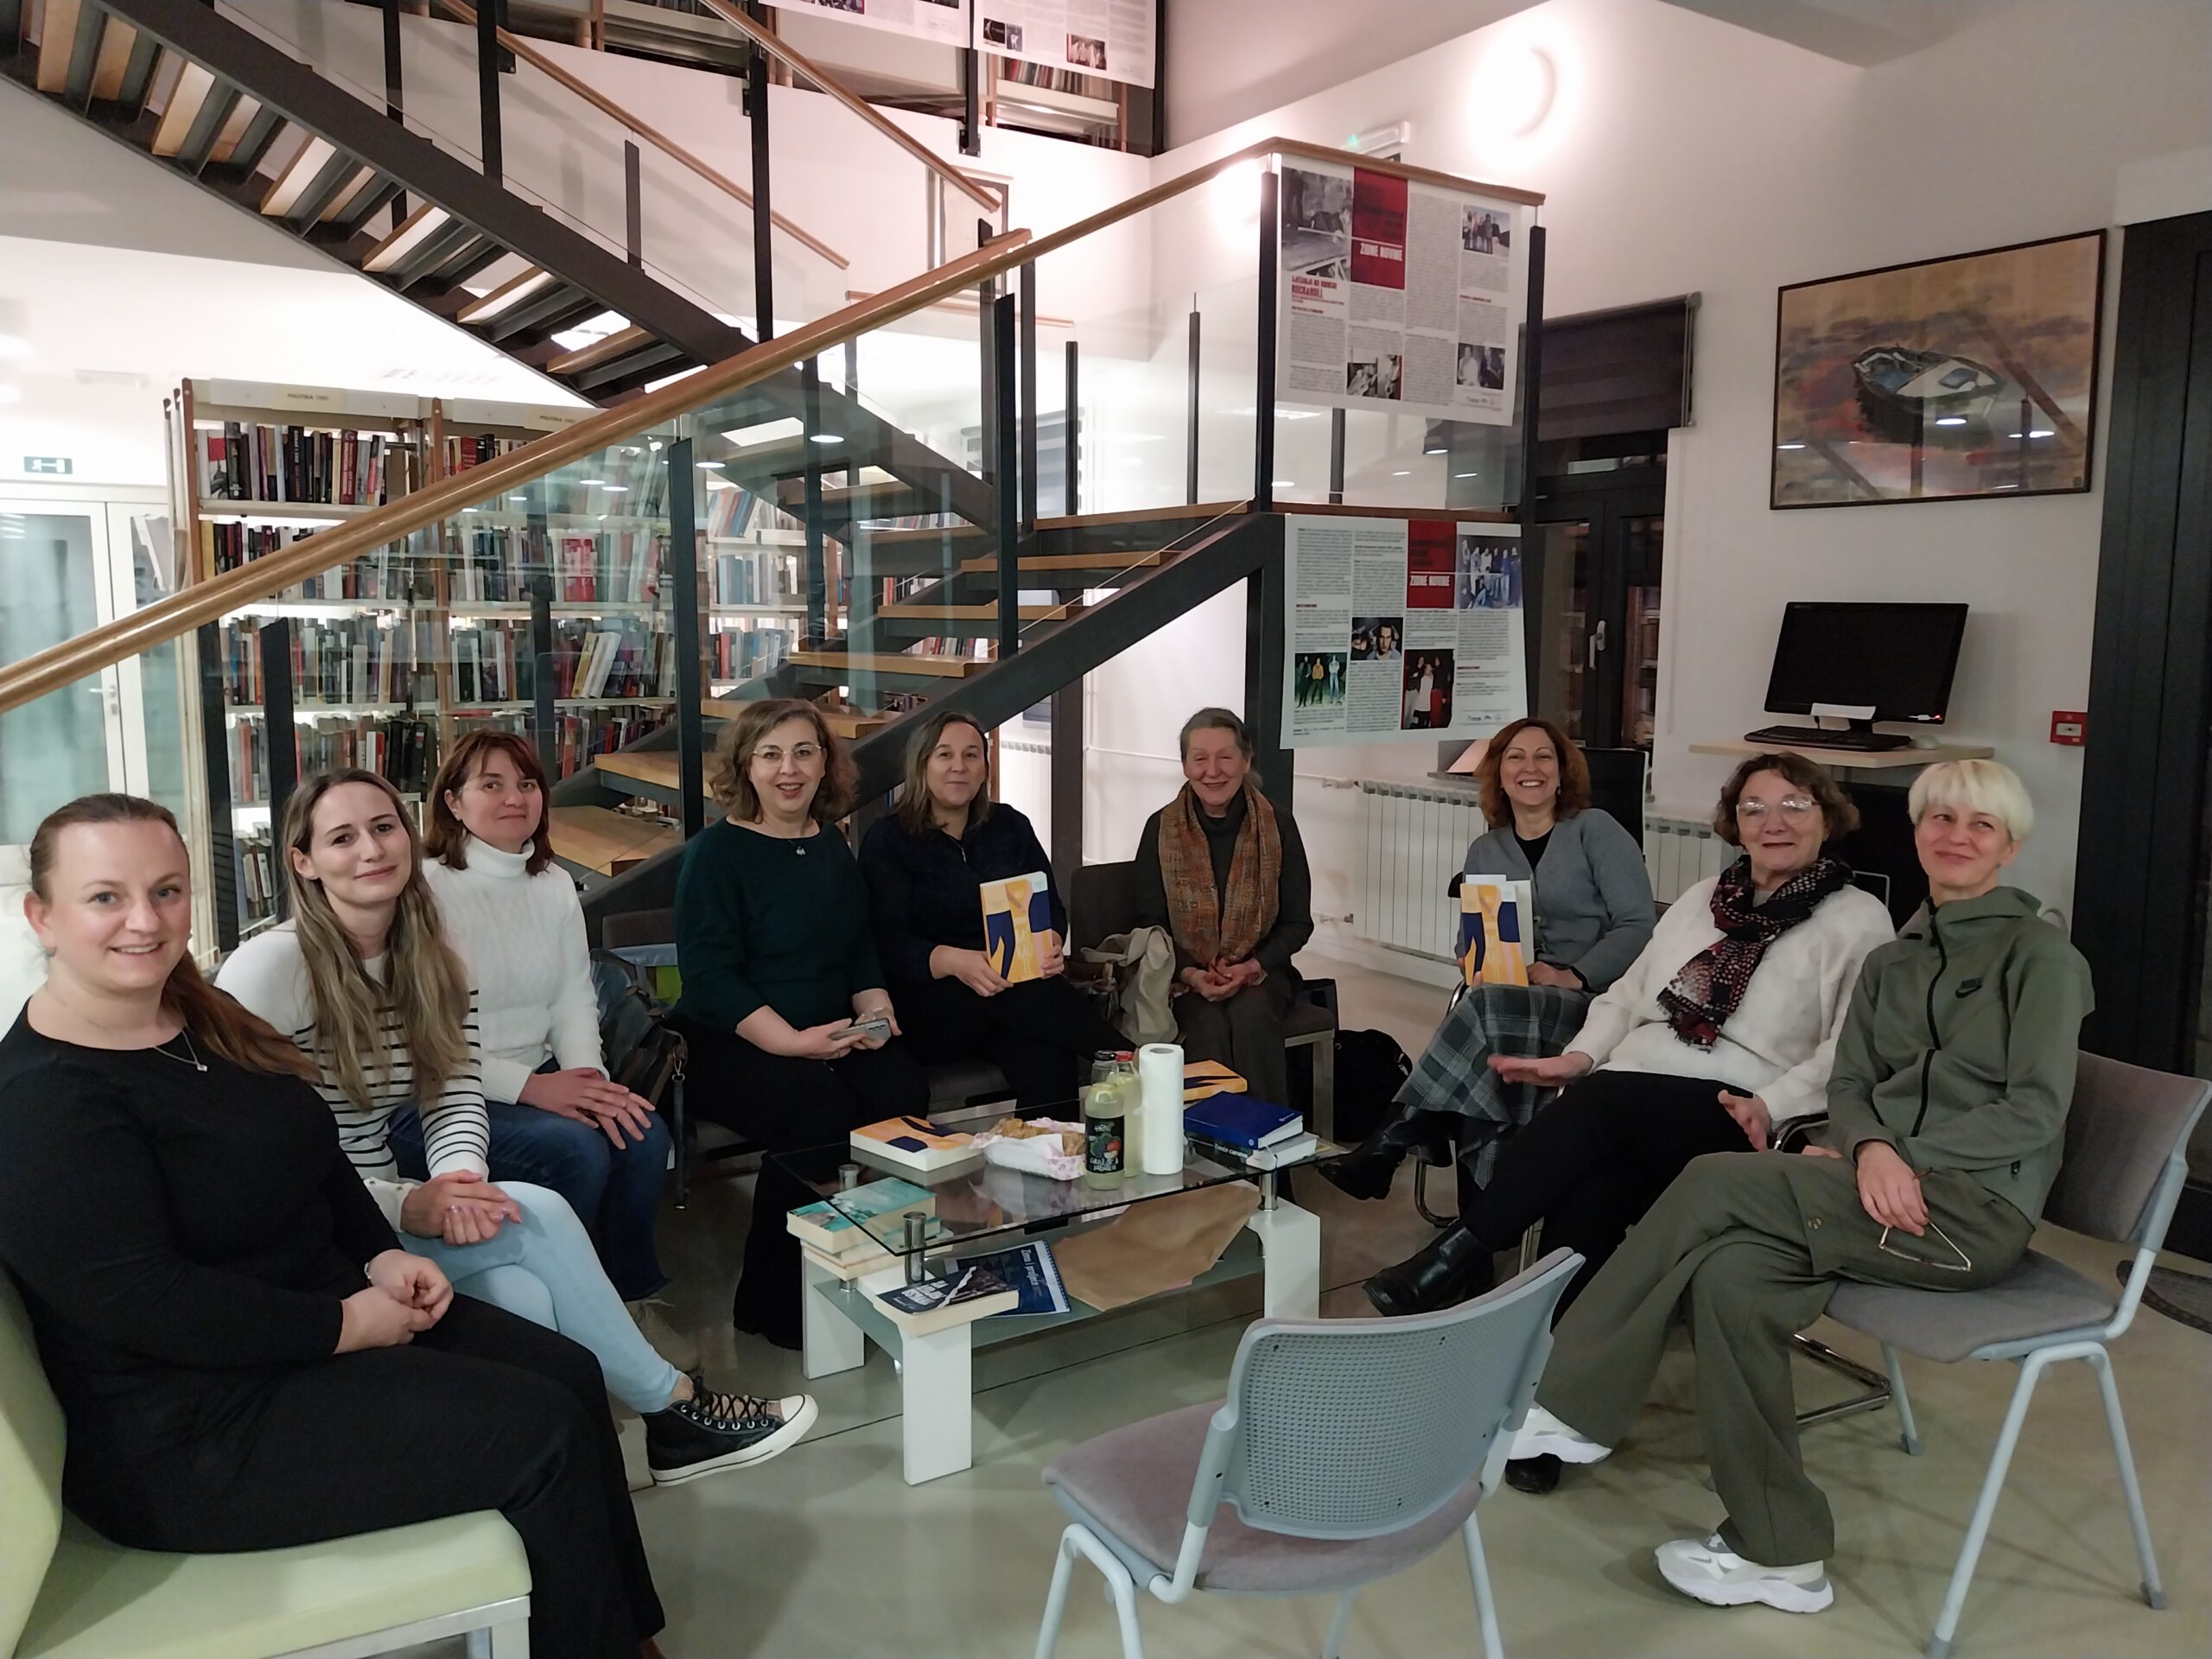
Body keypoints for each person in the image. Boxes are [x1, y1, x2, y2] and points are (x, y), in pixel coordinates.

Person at [0, 794, 662, 1659]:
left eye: (166, 891)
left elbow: (311, 1148)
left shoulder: (196, 1014)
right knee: (541, 1432)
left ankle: (620, 1636)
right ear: (42, 916)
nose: (145, 920)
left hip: (303, 1328)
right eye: (105, 898)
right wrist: (346, 1324)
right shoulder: (42, 1100)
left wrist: (379, 1254)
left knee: (570, 1373)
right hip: (191, 1430)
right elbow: (147, 1302)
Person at [1509, 760, 2089, 1615]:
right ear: (1917, 833)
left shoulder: (2040, 956)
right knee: (1729, 1279)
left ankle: (1568, 1402)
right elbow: (1850, 1083)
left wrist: (1895, 1157)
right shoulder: (1897, 960)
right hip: (1874, 1192)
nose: (1955, 837)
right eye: (1940, 819)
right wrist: (1865, 1146)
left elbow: (2034, 1112)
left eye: (1980, 825)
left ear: (2009, 845)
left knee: (1713, 1181)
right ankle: (1779, 1551)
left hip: (1969, 1216)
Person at [219, 770, 813, 1483]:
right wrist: (403, 1205)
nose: (371, 849)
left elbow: (453, 1093)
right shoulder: (270, 970)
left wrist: (460, 1180)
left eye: (383, 828)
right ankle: (673, 1412)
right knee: (542, 1208)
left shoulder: (434, 958)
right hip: (316, 1237)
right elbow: (260, 1163)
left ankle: (567, 1466)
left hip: (381, 1213)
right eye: (342, 838)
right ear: (303, 861)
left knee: (528, 1294)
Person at [1362, 753, 1892, 1378]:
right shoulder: (1703, 899)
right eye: (1754, 808)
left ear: (1826, 818)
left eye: (1794, 806)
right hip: (1636, 1093)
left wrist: (1771, 1106)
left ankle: (1454, 1258)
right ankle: (1549, 1373)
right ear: (1736, 823)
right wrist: (1580, 1057)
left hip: (1740, 1108)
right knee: (1596, 1187)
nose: (1772, 822)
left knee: (1603, 1105)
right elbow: (1629, 994)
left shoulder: (1856, 919)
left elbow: (1850, 1048)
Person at [419, 729, 690, 1370]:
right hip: (453, 1087)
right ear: (453, 802)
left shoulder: (553, 884)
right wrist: (535, 1089)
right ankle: (576, 1312)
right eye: (491, 785)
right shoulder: (426, 889)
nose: (515, 799)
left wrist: (588, 1082)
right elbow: (427, 1036)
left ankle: (628, 1300)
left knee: (641, 1135)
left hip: (540, 1070)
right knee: (578, 1151)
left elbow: (573, 996)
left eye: (527, 784)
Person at [670, 699, 929, 1350]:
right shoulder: (715, 854)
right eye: (771, 755)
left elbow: (857, 946)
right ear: (746, 767)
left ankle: (874, 1270)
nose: (789, 770)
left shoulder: (830, 843)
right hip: (729, 1038)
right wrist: (790, 1044)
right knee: (815, 1113)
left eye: (803, 752)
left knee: (902, 1090)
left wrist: (877, 1007)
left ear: (824, 764)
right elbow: (710, 976)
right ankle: (775, 1301)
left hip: (826, 1028)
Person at [1326, 718, 1656, 1200]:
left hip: (1589, 1004)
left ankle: (1396, 1140)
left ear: (1562, 773)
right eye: (1515, 758)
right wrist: (1473, 962)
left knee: (1480, 1011)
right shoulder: (1485, 850)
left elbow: (1638, 924)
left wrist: (1574, 974)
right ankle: (1471, 1206)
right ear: (1499, 775)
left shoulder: (1596, 831)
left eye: (1543, 757)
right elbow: (1469, 940)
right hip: (1507, 1004)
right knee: (1484, 1015)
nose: (1530, 768)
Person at [859, 709, 1125, 1110]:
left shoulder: (1010, 825)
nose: (959, 767)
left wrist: (1052, 941)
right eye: (944, 755)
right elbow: (886, 943)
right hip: (928, 1005)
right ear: (922, 765)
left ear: (985, 767)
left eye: (971, 755)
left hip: (1011, 1003)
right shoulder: (889, 839)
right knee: (1020, 991)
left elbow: (1049, 907)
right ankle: (1129, 1058)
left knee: (1047, 1056)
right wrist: (954, 961)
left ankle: (1051, 1149)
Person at [1133, 708, 1313, 1110]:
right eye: (1200, 758)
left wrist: (1251, 967)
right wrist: (1193, 974)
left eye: (1225, 757)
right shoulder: (1160, 828)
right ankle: (1211, 1143)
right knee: (1206, 1022)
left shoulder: (1278, 825)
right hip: (1183, 975)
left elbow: (1298, 922)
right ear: (1185, 765)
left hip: (1264, 970)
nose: (1212, 771)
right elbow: (1149, 923)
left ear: (1246, 761)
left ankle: (1265, 1142)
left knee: (1252, 1015)